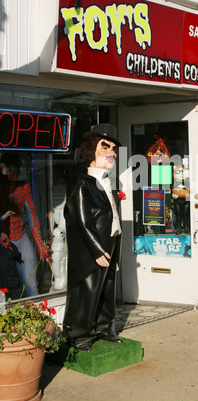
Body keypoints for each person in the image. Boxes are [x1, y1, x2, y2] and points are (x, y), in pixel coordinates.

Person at [63, 124, 123, 352]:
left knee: (107, 288)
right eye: (105, 146)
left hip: (111, 241)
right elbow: (82, 221)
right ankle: (79, 334)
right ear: (91, 150)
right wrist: (96, 249)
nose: (112, 152)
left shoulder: (107, 182)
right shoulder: (82, 185)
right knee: (87, 290)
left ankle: (104, 327)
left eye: (113, 148)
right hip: (93, 247)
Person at [0, 152, 51, 297]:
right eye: (7, 170)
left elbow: (32, 217)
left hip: (20, 237)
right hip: (3, 239)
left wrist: (40, 245)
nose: (11, 173)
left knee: (31, 287)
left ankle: (36, 317)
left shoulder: (23, 187)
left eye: (14, 169)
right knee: (1, 288)